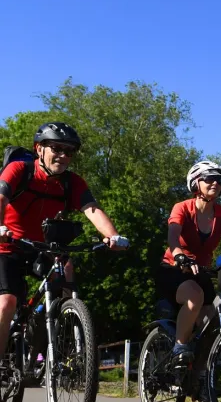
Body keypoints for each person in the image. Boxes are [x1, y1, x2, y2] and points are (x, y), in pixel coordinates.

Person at [0, 123, 128, 361]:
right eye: (56, 148)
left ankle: (66, 329)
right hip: (8, 245)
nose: (62, 155)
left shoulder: (72, 182)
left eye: (69, 151)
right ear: (39, 149)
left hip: (42, 248)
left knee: (66, 268)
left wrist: (112, 235)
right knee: (7, 302)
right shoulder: (19, 170)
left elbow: (92, 209)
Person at [156, 161, 221, 363]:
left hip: (201, 272)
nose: (215, 183)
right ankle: (179, 347)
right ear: (195, 182)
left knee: (212, 320)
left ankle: (201, 377)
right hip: (174, 268)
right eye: (209, 178)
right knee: (195, 296)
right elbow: (173, 236)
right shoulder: (182, 208)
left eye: (219, 180)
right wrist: (179, 255)